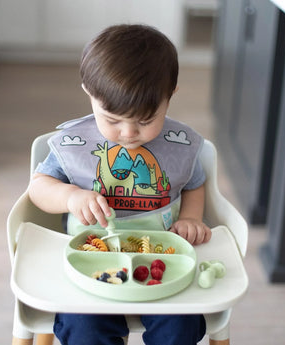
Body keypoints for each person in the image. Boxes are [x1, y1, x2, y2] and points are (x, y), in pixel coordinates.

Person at [29, 24, 212, 345]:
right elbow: (38, 187)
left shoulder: (179, 144)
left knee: (181, 327)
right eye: (112, 119)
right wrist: (71, 197)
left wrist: (192, 218)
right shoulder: (74, 144)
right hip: (89, 261)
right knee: (84, 330)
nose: (128, 133)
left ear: (170, 96)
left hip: (162, 258)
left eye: (145, 120)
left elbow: (194, 183)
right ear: (90, 93)